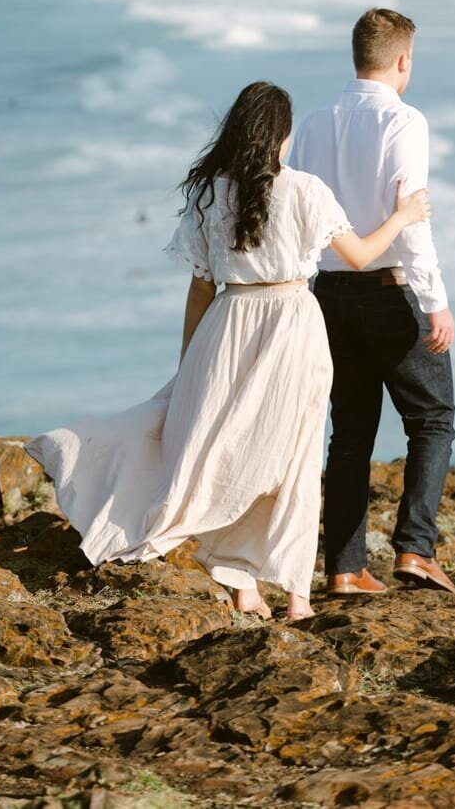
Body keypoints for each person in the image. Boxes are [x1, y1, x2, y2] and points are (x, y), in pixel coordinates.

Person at [24, 80, 430, 622]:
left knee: (226, 450)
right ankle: (296, 597)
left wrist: (190, 359)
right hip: (290, 325)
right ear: (281, 136)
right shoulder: (306, 190)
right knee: (294, 459)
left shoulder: (210, 193)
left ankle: (244, 587)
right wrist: (402, 218)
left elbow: (199, 287)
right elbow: (358, 257)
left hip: (226, 323)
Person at [288, 8, 455, 597]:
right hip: (389, 290)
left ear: (357, 54)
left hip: (328, 293)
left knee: (351, 433)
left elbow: (301, 216)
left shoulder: (312, 124)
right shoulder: (404, 122)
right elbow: (411, 222)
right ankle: (415, 550)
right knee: (432, 421)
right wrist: (436, 301)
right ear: (403, 59)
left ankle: (344, 568)